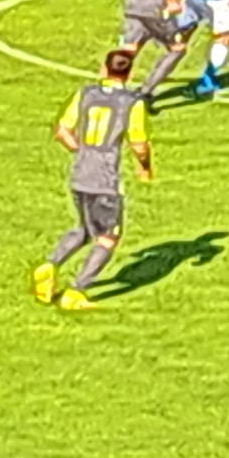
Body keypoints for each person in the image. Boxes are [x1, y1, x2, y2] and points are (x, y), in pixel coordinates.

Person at [35, 48, 158, 310]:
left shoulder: (86, 94)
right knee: (108, 237)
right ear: (129, 73)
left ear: (105, 68)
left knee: (84, 230)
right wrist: (146, 167)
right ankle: (76, 292)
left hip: (80, 173)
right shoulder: (132, 102)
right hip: (104, 179)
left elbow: (63, 131)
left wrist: (82, 151)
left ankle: (49, 265)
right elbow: (139, 143)